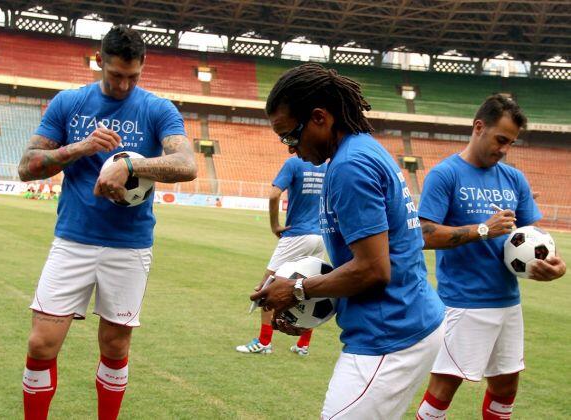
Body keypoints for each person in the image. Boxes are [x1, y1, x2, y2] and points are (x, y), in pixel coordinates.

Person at [17, 26, 197, 420]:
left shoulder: (157, 109)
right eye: (116, 74)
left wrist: (129, 165)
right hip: (74, 240)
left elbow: (187, 164)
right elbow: (26, 167)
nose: (123, 84)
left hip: (129, 246)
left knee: (115, 348)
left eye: (133, 76)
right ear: (100, 61)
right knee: (41, 344)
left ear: (143, 66)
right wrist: (82, 147)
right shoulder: (69, 103)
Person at [250, 63, 445, 419]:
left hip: (390, 333)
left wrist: (295, 291)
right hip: (398, 323)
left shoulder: (350, 167)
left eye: (290, 137)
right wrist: (307, 307)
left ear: (320, 118)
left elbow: (373, 269)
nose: (291, 150)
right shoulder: (359, 151)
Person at [415, 95, 567, 420]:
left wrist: (554, 263)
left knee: (505, 387)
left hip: (507, 302)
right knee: (443, 389)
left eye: (510, 143)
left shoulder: (514, 179)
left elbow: (533, 235)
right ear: (479, 127)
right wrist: (482, 230)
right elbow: (423, 235)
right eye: (500, 139)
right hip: (463, 302)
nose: (504, 149)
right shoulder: (446, 175)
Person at [236, 156, 327, 356]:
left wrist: (274, 225)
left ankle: (264, 342)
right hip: (320, 236)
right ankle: (303, 344)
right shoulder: (327, 165)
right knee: (310, 290)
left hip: (297, 235)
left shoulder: (294, 164)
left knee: (267, 288)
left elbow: (274, 195)